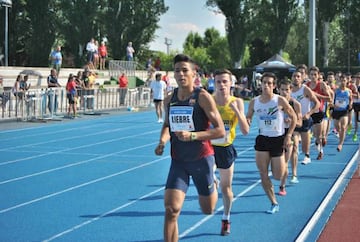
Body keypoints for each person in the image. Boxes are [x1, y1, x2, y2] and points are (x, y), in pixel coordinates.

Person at [154, 54, 225, 242]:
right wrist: (162, 141)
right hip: (179, 161)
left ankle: (213, 183)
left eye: (185, 70)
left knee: (207, 209)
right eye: (177, 70)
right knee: (171, 209)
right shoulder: (170, 99)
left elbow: (219, 131)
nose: (181, 74)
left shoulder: (202, 97)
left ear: (194, 73)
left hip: (202, 159)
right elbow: (168, 125)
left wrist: (193, 135)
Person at [246, 72, 297, 214]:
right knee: (263, 173)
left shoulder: (279, 100)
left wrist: (289, 135)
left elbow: (293, 116)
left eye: (269, 83)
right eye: (264, 83)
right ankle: (274, 202)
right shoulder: (254, 102)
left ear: (274, 86)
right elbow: (248, 117)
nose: (266, 85)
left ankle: (282, 173)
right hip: (262, 139)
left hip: (278, 140)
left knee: (278, 175)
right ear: (260, 84)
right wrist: (247, 120)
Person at [211, 69, 249, 235]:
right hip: (208, 147)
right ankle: (212, 177)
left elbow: (246, 130)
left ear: (231, 83)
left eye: (225, 81)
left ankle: (226, 218)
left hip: (225, 148)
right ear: (214, 83)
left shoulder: (237, 102)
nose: (222, 85)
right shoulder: (208, 100)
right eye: (218, 82)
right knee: (207, 181)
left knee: (226, 188)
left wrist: (238, 112)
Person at [278, 79, 302, 195]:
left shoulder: (296, 104)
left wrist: (291, 121)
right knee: (278, 162)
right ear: (278, 90)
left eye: (286, 90)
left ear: (291, 90)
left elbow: (300, 123)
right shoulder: (275, 103)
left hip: (290, 133)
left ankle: (282, 186)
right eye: (282, 90)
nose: (284, 92)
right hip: (277, 134)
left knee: (285, 161)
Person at [291, 70, 320, 165]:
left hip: (305, 120)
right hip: (293, 121)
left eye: (298, 76)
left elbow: (317, 103)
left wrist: (309, 113)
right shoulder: (288, 90)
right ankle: (294, 155)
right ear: (292, 78)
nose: (296, 78)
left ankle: (307, 156)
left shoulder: (305, 89)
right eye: (294, 76)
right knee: (294, 143)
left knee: (304, 145)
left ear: (302, 78)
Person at [306, 66, 331, 160]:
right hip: (308, 111)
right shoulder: (306, 85)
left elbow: (329, 98)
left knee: (318, 135)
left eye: (315, 75)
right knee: (308, 133)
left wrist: (316, 95)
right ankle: (309, 153)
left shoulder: (322, 85)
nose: (313, 76)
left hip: (318, 111)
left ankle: (320, 150)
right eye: (311, 74)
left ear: (318, 75)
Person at [330, 75, 352, 151]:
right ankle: (340, 136)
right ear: (339, 81)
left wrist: (350, 104)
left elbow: (350, 99)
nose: (342, 82)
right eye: (341, 80)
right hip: (336, 112)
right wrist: (333, 105)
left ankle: (340, 144)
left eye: (344, 80)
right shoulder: (336, 90)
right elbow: (332, 100)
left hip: (344, 111)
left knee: (343, 127)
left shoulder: (349, 91)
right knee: (337, 128)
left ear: (347, 81)